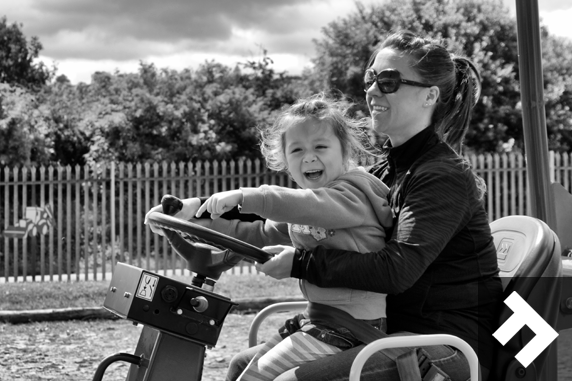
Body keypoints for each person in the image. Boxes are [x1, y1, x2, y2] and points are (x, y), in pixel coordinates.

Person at [145, 30, 502, 381]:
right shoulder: (381, 172)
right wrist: (194, 219)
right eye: (371, 78)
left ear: (430, 96)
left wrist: (302, 263)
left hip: (444, 347)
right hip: (385, 335)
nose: (373, 90)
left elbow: (396, 270)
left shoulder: (441, 176)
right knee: (241, 365)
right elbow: (276, 230)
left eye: (389, 81)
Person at [192, 93, 394, 381]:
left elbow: (309, 206)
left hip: (353, 329)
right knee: (241, 367)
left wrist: (246, 196)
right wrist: (196, 223)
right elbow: (260, 233)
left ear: (345, 151)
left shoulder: (351, 196)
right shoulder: (306, 208)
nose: (309, 156)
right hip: (321, 323)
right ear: (284, 160)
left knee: (255, 378)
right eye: (297, 150)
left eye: (321, 146)